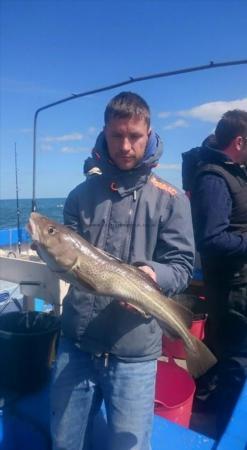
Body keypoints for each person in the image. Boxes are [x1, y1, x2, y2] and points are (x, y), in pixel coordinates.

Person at [51, 91, 195, 450]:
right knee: (65, 442)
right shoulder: (78, 197)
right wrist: (51, 253)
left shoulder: (171, 200)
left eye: (135, 136)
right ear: (104, 133)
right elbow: (71, 266)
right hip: (77, 343)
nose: (126, 146)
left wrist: (154, 275)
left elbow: (181, 266)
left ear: (149, 134)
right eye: (117, 136)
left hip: (135, 351)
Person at [182, 109, 247, 436]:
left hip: (237, 284)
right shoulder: (213, 178)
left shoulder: (234, 172)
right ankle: (226, 430)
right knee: (236, 359)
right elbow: (211, 239)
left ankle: (208, 414)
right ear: (239, 141)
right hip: (232, 288)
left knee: (222, 353)